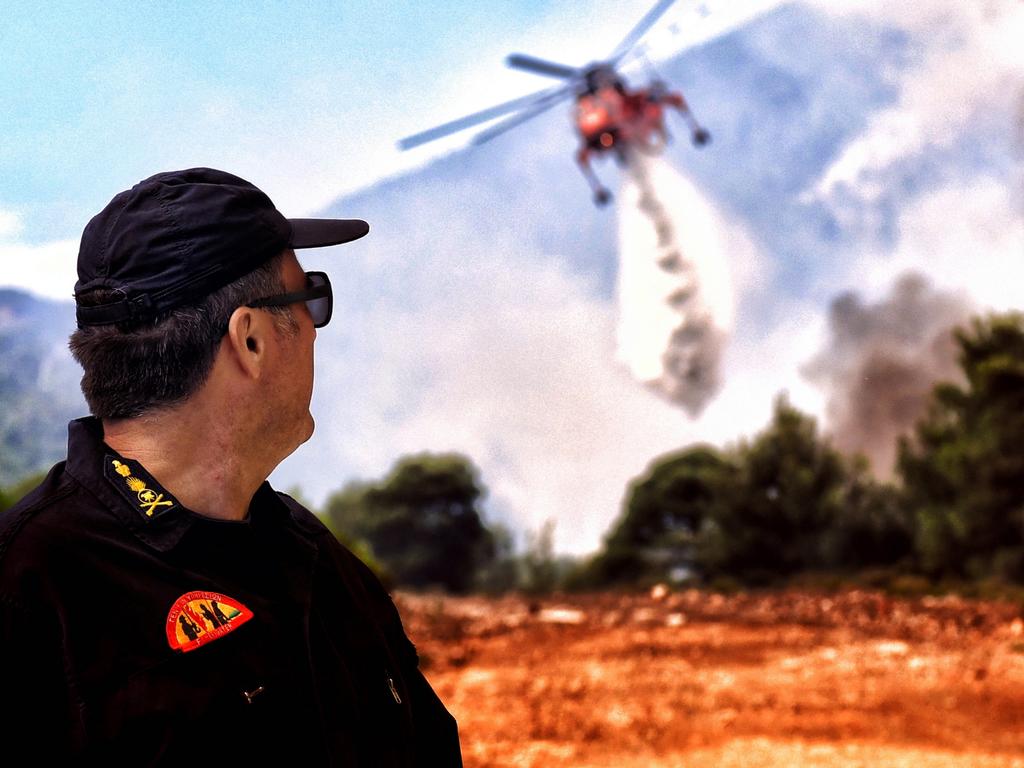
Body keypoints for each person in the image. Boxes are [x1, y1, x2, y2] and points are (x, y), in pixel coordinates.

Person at [0, 168, 463, 765]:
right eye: (310, 297)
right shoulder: (26, 593)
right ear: (250, 339)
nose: (318, 335)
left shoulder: (323, 565)